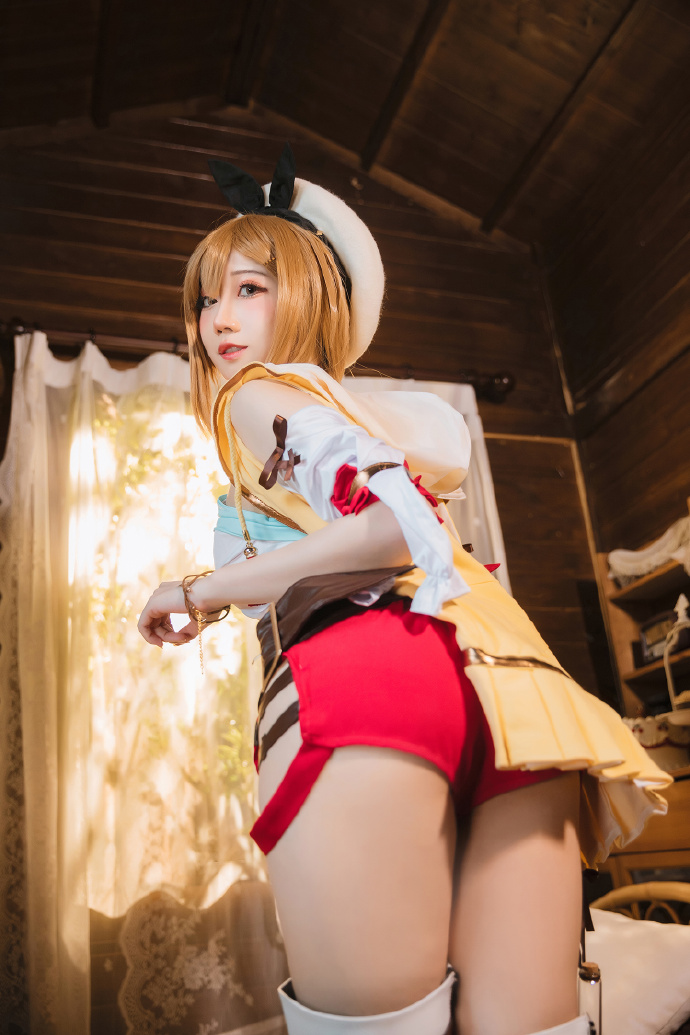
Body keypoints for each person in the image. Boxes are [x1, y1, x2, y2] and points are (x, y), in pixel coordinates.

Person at [138, 145, 670, 1035]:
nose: (216, 319)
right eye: (204, 298)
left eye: (250, 288)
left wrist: (199, 588)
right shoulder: (372, 412)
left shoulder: (251, 395)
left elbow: (388, 521)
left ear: (311, 296)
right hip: (515, 692)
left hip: (368, 677)